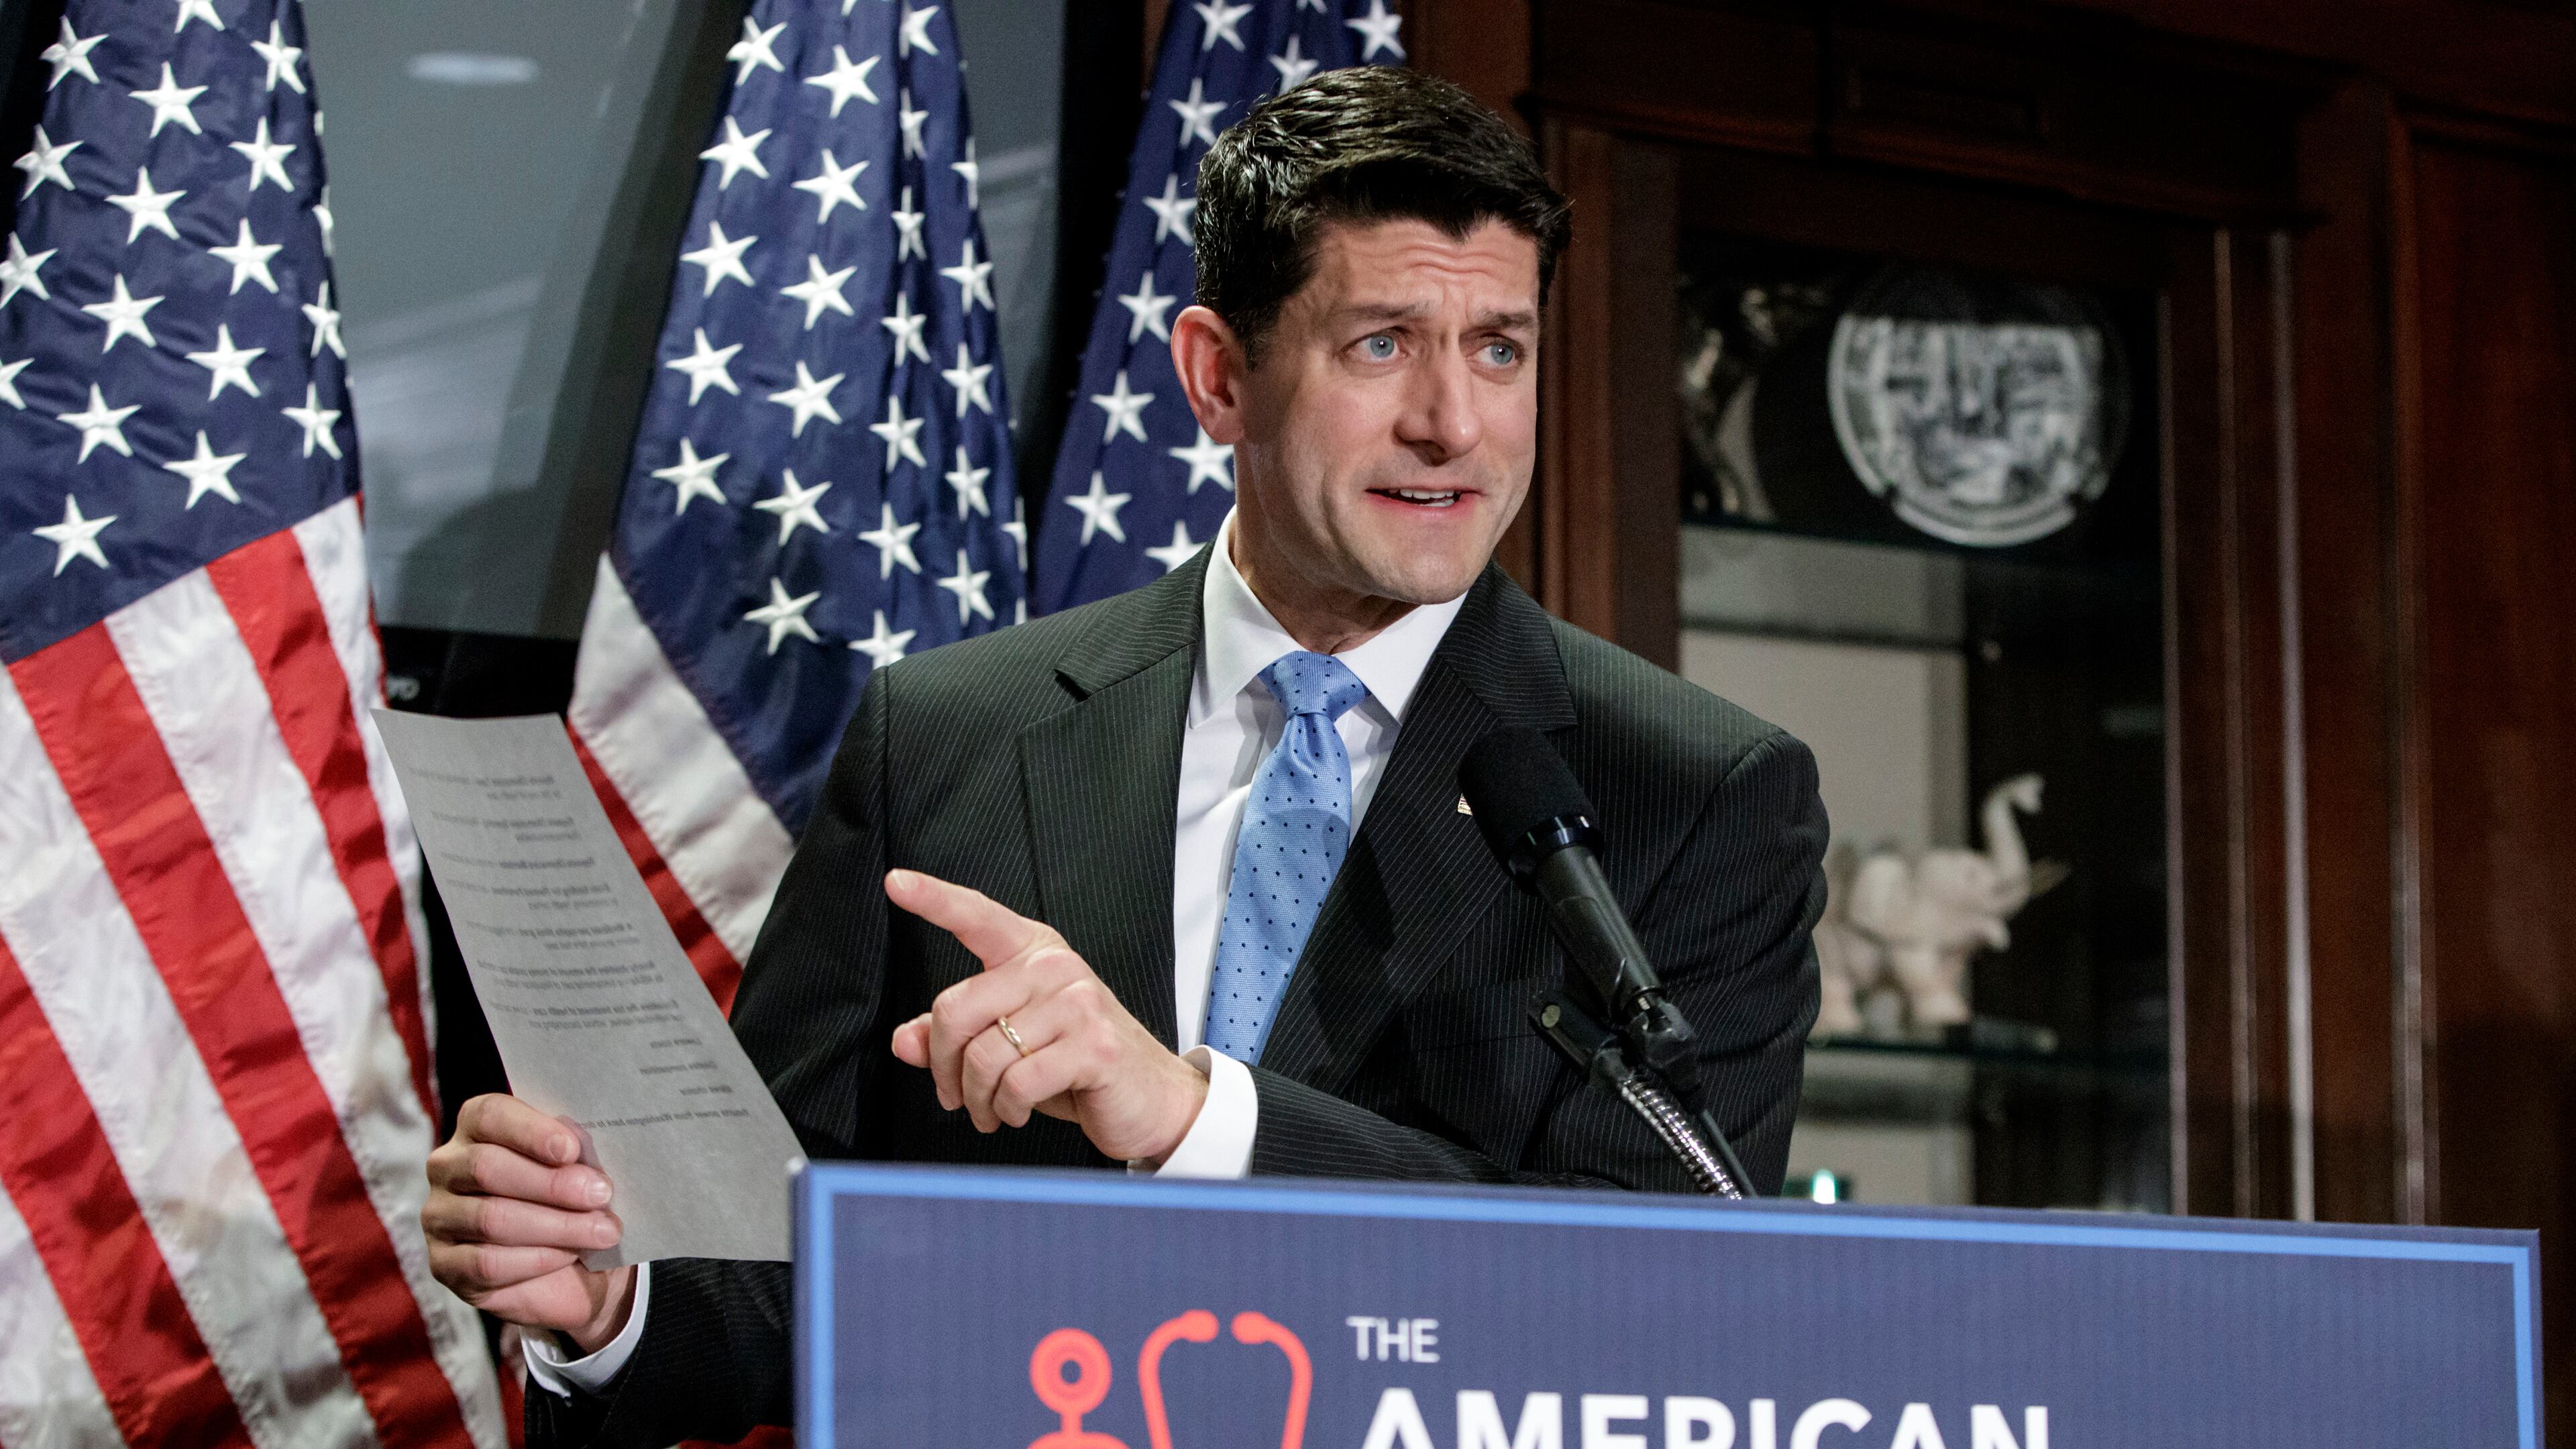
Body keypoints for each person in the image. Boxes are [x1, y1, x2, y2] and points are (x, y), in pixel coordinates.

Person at [422, 66, 1827, 1447]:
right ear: (1219, 377)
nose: (1454, 424)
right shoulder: (947, 738)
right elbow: (784, 1256)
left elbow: (1662, 1300)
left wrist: (1194, 1121)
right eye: (1382, 345)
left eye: (1500, 350)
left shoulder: (1695, 795)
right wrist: (610, 1307)